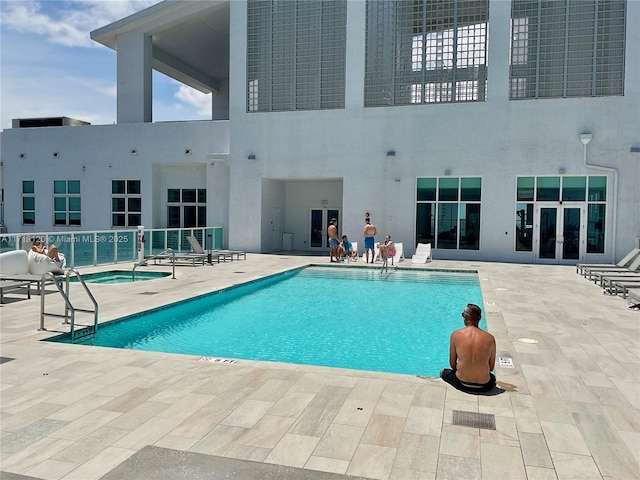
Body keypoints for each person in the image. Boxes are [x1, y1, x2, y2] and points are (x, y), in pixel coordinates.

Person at [440, 304, 496, 393]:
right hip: (484, 386)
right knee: (492, 377)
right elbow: (491, 367)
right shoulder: (490, 338)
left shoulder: (456, 335)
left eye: (463, 315)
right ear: (480, 318)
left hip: (461, 384)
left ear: (466, 317)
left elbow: (452, 364)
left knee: (443, 372)